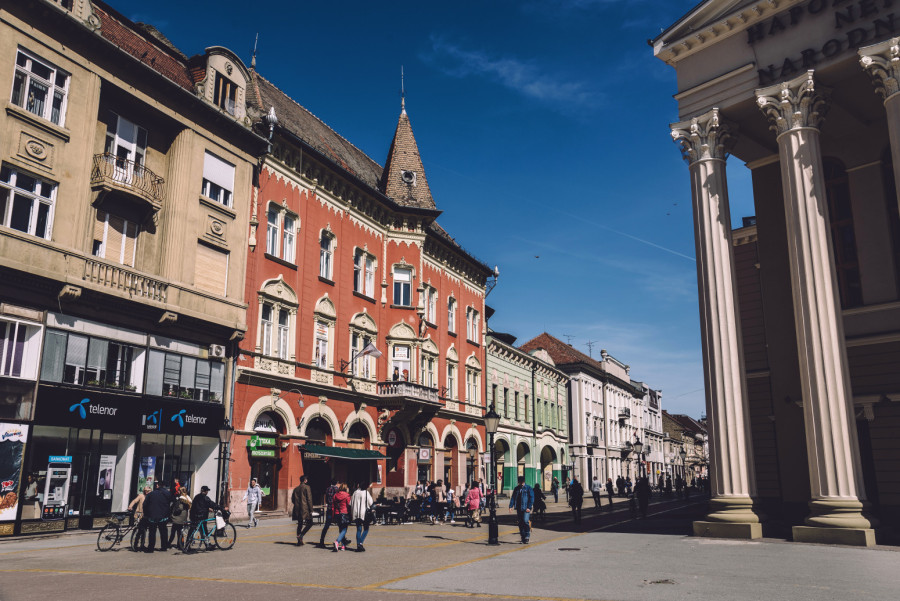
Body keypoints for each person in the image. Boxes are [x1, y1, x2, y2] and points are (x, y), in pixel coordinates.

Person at [142, 482, 173, 552]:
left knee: (152, 532)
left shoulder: (151, 494)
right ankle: (164, 547)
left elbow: (145, 505)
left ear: (157, 485)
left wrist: (146, 514)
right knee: (163, 532)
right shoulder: (167, 493)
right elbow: (171, 503)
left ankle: (151, 548)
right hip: (163, 516)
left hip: (152, 516)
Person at [508, 475, 534, 544]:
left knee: (525, 521)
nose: (521, 483)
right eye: (520, 482)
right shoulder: (516, 489)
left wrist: (529, 507)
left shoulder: (528, 488)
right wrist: (511, 506)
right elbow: (513, 497)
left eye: (522, 482)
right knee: (520, 523)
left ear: (524, 481)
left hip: (526, 508)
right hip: (519, 508)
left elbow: (531, 498)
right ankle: (523, 537)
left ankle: (527, 536)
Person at [350, 482, 374, 552]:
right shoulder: (366, 493)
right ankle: (360, 543)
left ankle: (358, 545)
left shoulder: (355, 493)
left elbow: (350, 503)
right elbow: (371, 502)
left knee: (358, 529)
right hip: (364, 514)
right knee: (366, 529)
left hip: (356, 513)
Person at [291, 475, 314, 546]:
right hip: (305, 508)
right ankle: (301, 535)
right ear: (305, 480)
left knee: (300, 524)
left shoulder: (296, 489)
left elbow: (292, 500)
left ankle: (299, 540)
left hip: (297, 508)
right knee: (310, 523)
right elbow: (309, 499)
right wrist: (311, 509)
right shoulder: (307, 487)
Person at [128, 486, 150, 550]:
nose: (147, 492)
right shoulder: (141, 496)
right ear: (144, 491)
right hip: (139, 515)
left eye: (149, 491)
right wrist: (130, 506)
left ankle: (142, 544)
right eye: (146, 491)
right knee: (139, 530)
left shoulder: (150, 497)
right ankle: (135, 544)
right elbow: (134, 501)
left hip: (146, 516)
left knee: (144, 531)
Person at [319, 479, 339, 547]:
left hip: (329, 508)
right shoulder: (337, 489)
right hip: (336, 509)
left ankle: (321, 541)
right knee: (340, 525)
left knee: (326, 525)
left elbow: (327, 499)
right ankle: (343, 540)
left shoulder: (328, 489)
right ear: (336, 483)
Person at [331, 483, 351, 552]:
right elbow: (349, 505)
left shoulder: (335, 495)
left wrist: (333, 515)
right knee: (344, 529)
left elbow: (333, 506)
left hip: (337, 513)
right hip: (344, 513)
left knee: (340, 529)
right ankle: (337, 542)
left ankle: (343, 545)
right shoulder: (347, 495)